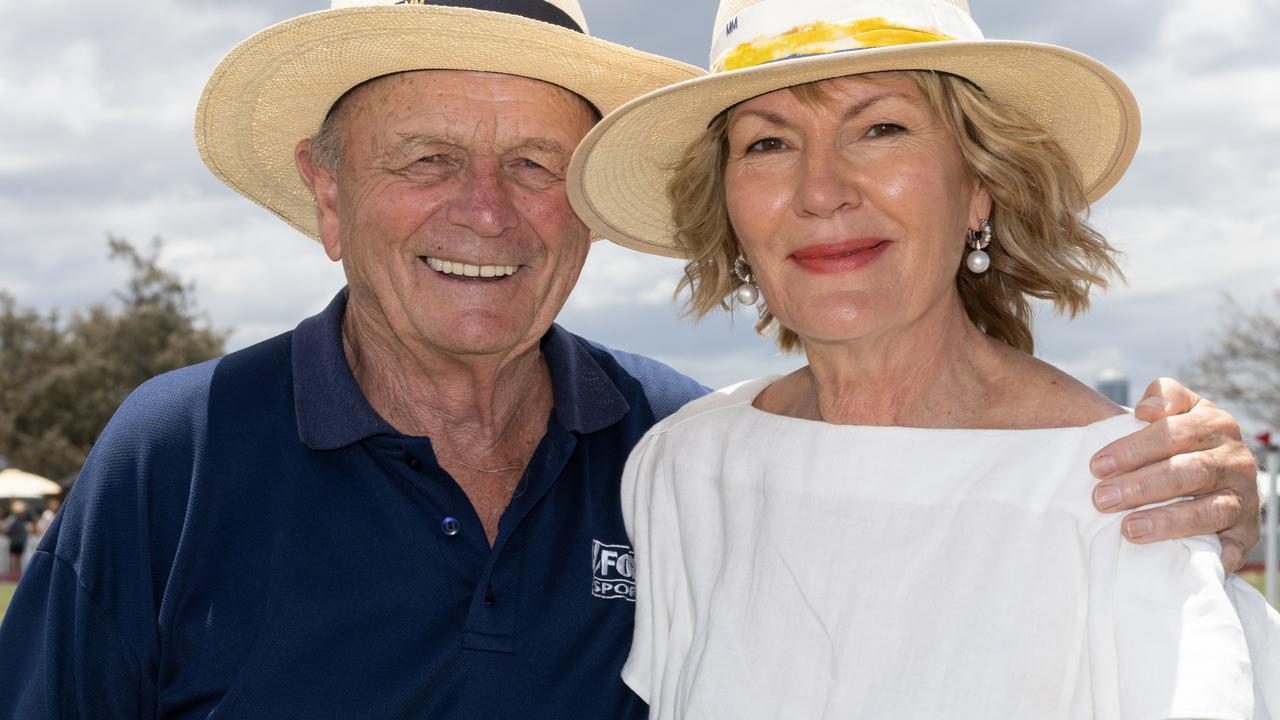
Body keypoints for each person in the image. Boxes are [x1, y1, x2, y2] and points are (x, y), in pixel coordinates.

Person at [0, 0, 1261, 717]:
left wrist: (1218, 502)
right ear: (328, 201)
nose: (483, 213)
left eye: (535, 167)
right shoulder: (175, 454)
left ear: (977, 186)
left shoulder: (656, 446)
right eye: (425, 159)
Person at [567, 0, 1280, 716]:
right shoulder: (685, 468)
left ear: (980, 184)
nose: (820, 192)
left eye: (881, 129)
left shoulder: (1128, 495)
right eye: (768, 144)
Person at [3, 500, 32, 580]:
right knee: (14, 559)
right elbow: (5, 528)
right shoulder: (13, 519)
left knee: (17, 559)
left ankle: (17, 575)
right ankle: (15, 575)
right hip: (15, 541)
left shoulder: (23, 519)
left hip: (19, 541)